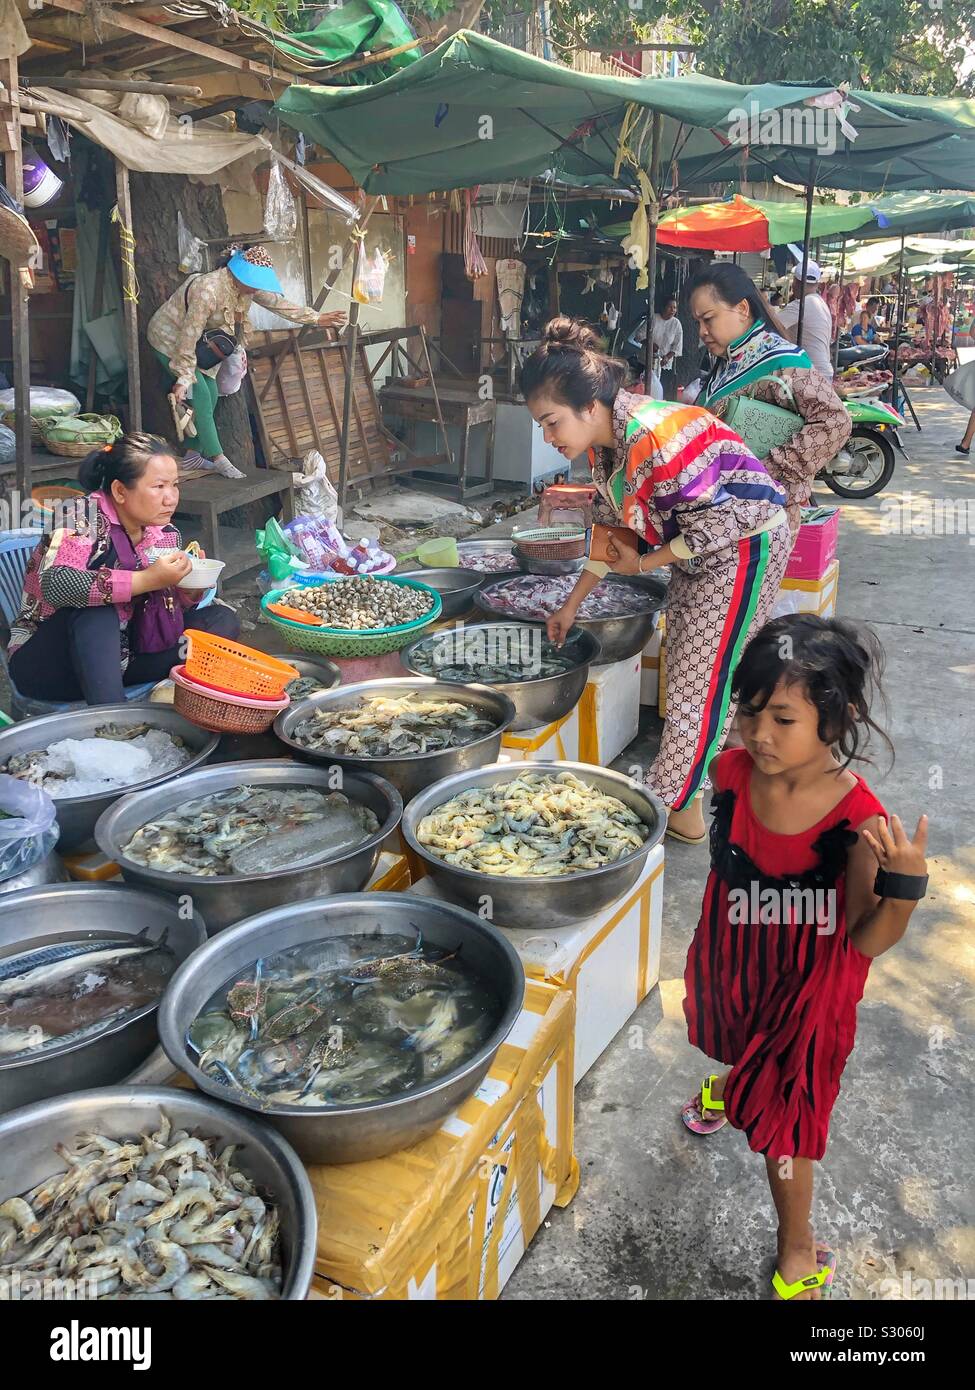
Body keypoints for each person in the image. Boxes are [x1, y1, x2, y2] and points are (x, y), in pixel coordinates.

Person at [680, 614, 928, 1300]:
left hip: (810, 986)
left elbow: (866, 939)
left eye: (782, 718)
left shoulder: (858, 822)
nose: (758, 733)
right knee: (741, 1048)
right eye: (749, 712)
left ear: (837, 716)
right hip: (737, 957)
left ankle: (794, 1249)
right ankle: (730, 1091)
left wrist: (903, 890)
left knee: (786, 1115)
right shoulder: (732, 773)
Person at [520, 317, 792, 844]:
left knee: (699, 682)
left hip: (744, 545)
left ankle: (675, 807)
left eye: (552, 423)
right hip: (699, 548)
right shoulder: (605, 445)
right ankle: (703, 777)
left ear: (590, 407)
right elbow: (610, 531)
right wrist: (572, 605)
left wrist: (644, 564)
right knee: (693, 669)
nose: (549, 437)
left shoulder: (654, 437)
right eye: (541, 427)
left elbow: (724, 522)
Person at [7, 433, 241, 706]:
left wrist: (188, 590)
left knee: (221, 621)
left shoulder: (165, 534)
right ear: (119, 491)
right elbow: (57, 583)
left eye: (175, 485)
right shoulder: (81, 516)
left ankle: (174, 698)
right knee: (98, 611)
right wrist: (146, 579)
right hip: (53, 666)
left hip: (127, 657)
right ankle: (113, 721)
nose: (171, 499)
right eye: (159, 486)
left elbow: (162, 611)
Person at [147, 245, 345, 478]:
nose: (258, 288)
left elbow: (277, 303)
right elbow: (187, 337)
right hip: (168, 339)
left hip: (197, 343)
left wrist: (316, 318)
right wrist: (182, 378)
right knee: (200, 391)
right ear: (241, 275)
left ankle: (192, 456)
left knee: (210, 392)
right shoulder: (208, 291)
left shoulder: (245, 288)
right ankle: (218, 457)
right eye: (256, 281)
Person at [690, 262, 852, 537]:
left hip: (762, 521)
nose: (702, 332)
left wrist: (764, 470)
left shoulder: (782, 362)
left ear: (742, 308)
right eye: (698, 323)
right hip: (722, 517)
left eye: (709, 319)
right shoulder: (727, 362)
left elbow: (835, 421)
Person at [775, 256, 835, 378]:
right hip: (823, 371)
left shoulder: (802, 305)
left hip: (812, 375)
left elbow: (770, 325)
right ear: (817, 283)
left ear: (796, 282)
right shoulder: (820, 303)